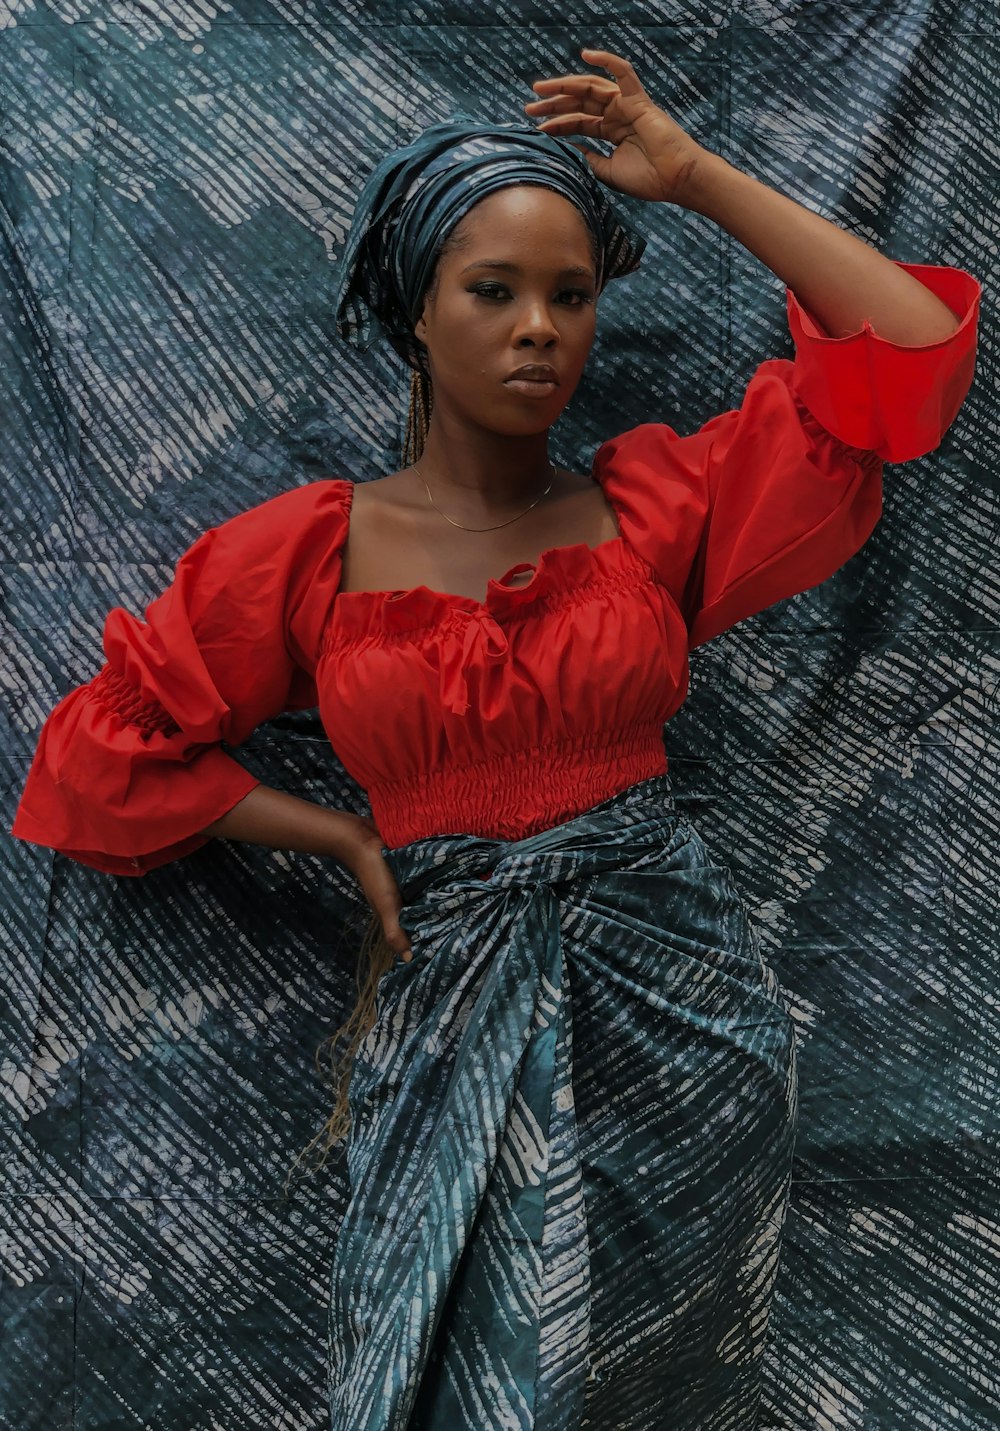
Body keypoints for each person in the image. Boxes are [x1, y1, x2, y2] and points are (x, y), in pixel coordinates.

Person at [10, 45, 980, 1431]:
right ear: (415, 311)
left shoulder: (654, 512)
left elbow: (909, 362)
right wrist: (338, 831)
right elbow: (97, 755)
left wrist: (694, 175)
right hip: (447, 1000)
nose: (541, 329)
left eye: (571, 296)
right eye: (495, 290)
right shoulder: (304, 555)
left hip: (684, 1020)